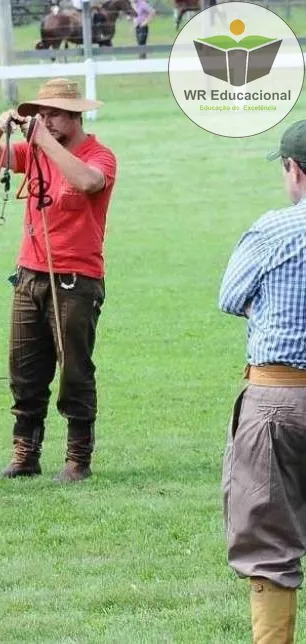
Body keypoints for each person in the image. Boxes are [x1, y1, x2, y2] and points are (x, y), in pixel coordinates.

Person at [0, 77, 118, 483]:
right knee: (24, 370)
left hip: (76, 280)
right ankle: (26, 453)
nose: (44, 121)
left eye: (52, 113)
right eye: (40, 113)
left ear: (75, 115)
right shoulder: (33, 151)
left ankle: (77, 458)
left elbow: (88, 182)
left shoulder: (100, 155)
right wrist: (1, 125)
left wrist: (45, 142)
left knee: (74, 370)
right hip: (29, 274)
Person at [218, 119, 306, 644]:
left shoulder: (274, 229)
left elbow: (230, 298)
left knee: (269, 542)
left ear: (294, 170)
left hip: (278, 395)